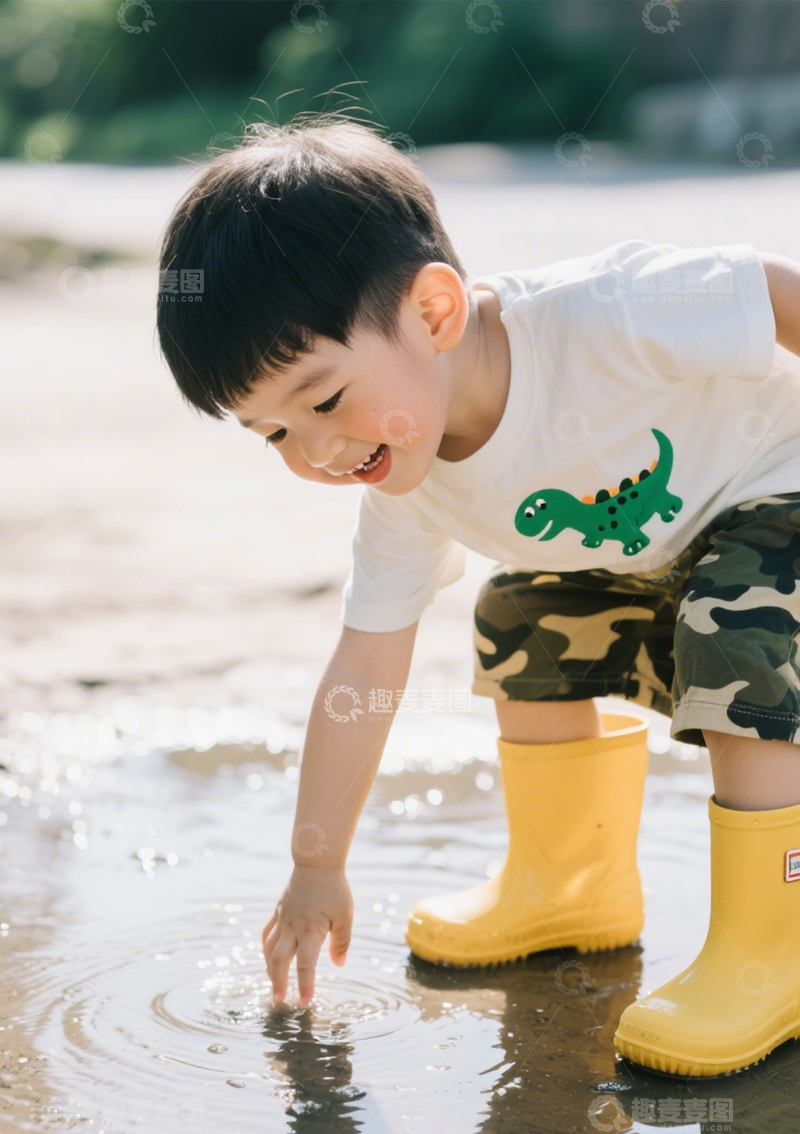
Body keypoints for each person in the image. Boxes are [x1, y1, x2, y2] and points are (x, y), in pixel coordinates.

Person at [156, 112, 800, 1077]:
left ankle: (771, 948)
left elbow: (772, 290)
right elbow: (364, 668)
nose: (318, 452)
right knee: (519, 614)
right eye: (274, 433)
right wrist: (316, 864)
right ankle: (572, 885)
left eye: (324, 400)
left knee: (732, 624)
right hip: (664, 550)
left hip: (779, 496)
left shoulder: (603, 316)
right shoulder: (402, 483)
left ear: (434, 312)